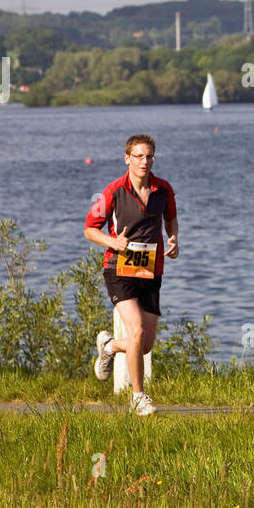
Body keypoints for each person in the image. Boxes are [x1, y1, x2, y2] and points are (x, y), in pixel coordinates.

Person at [84, 134, 178, 416]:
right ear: (127, 159)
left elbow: (170, 218)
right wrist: (113, 242)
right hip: (118, 268)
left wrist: (173, 239)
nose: (144, 161)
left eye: (149, 156)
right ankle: (138, 398)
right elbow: (89, 228)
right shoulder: (113, 191)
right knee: (136, 331)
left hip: (150, 270)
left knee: (145, 345)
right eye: (138, 156)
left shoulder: (164, 190)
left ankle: (109, 346)